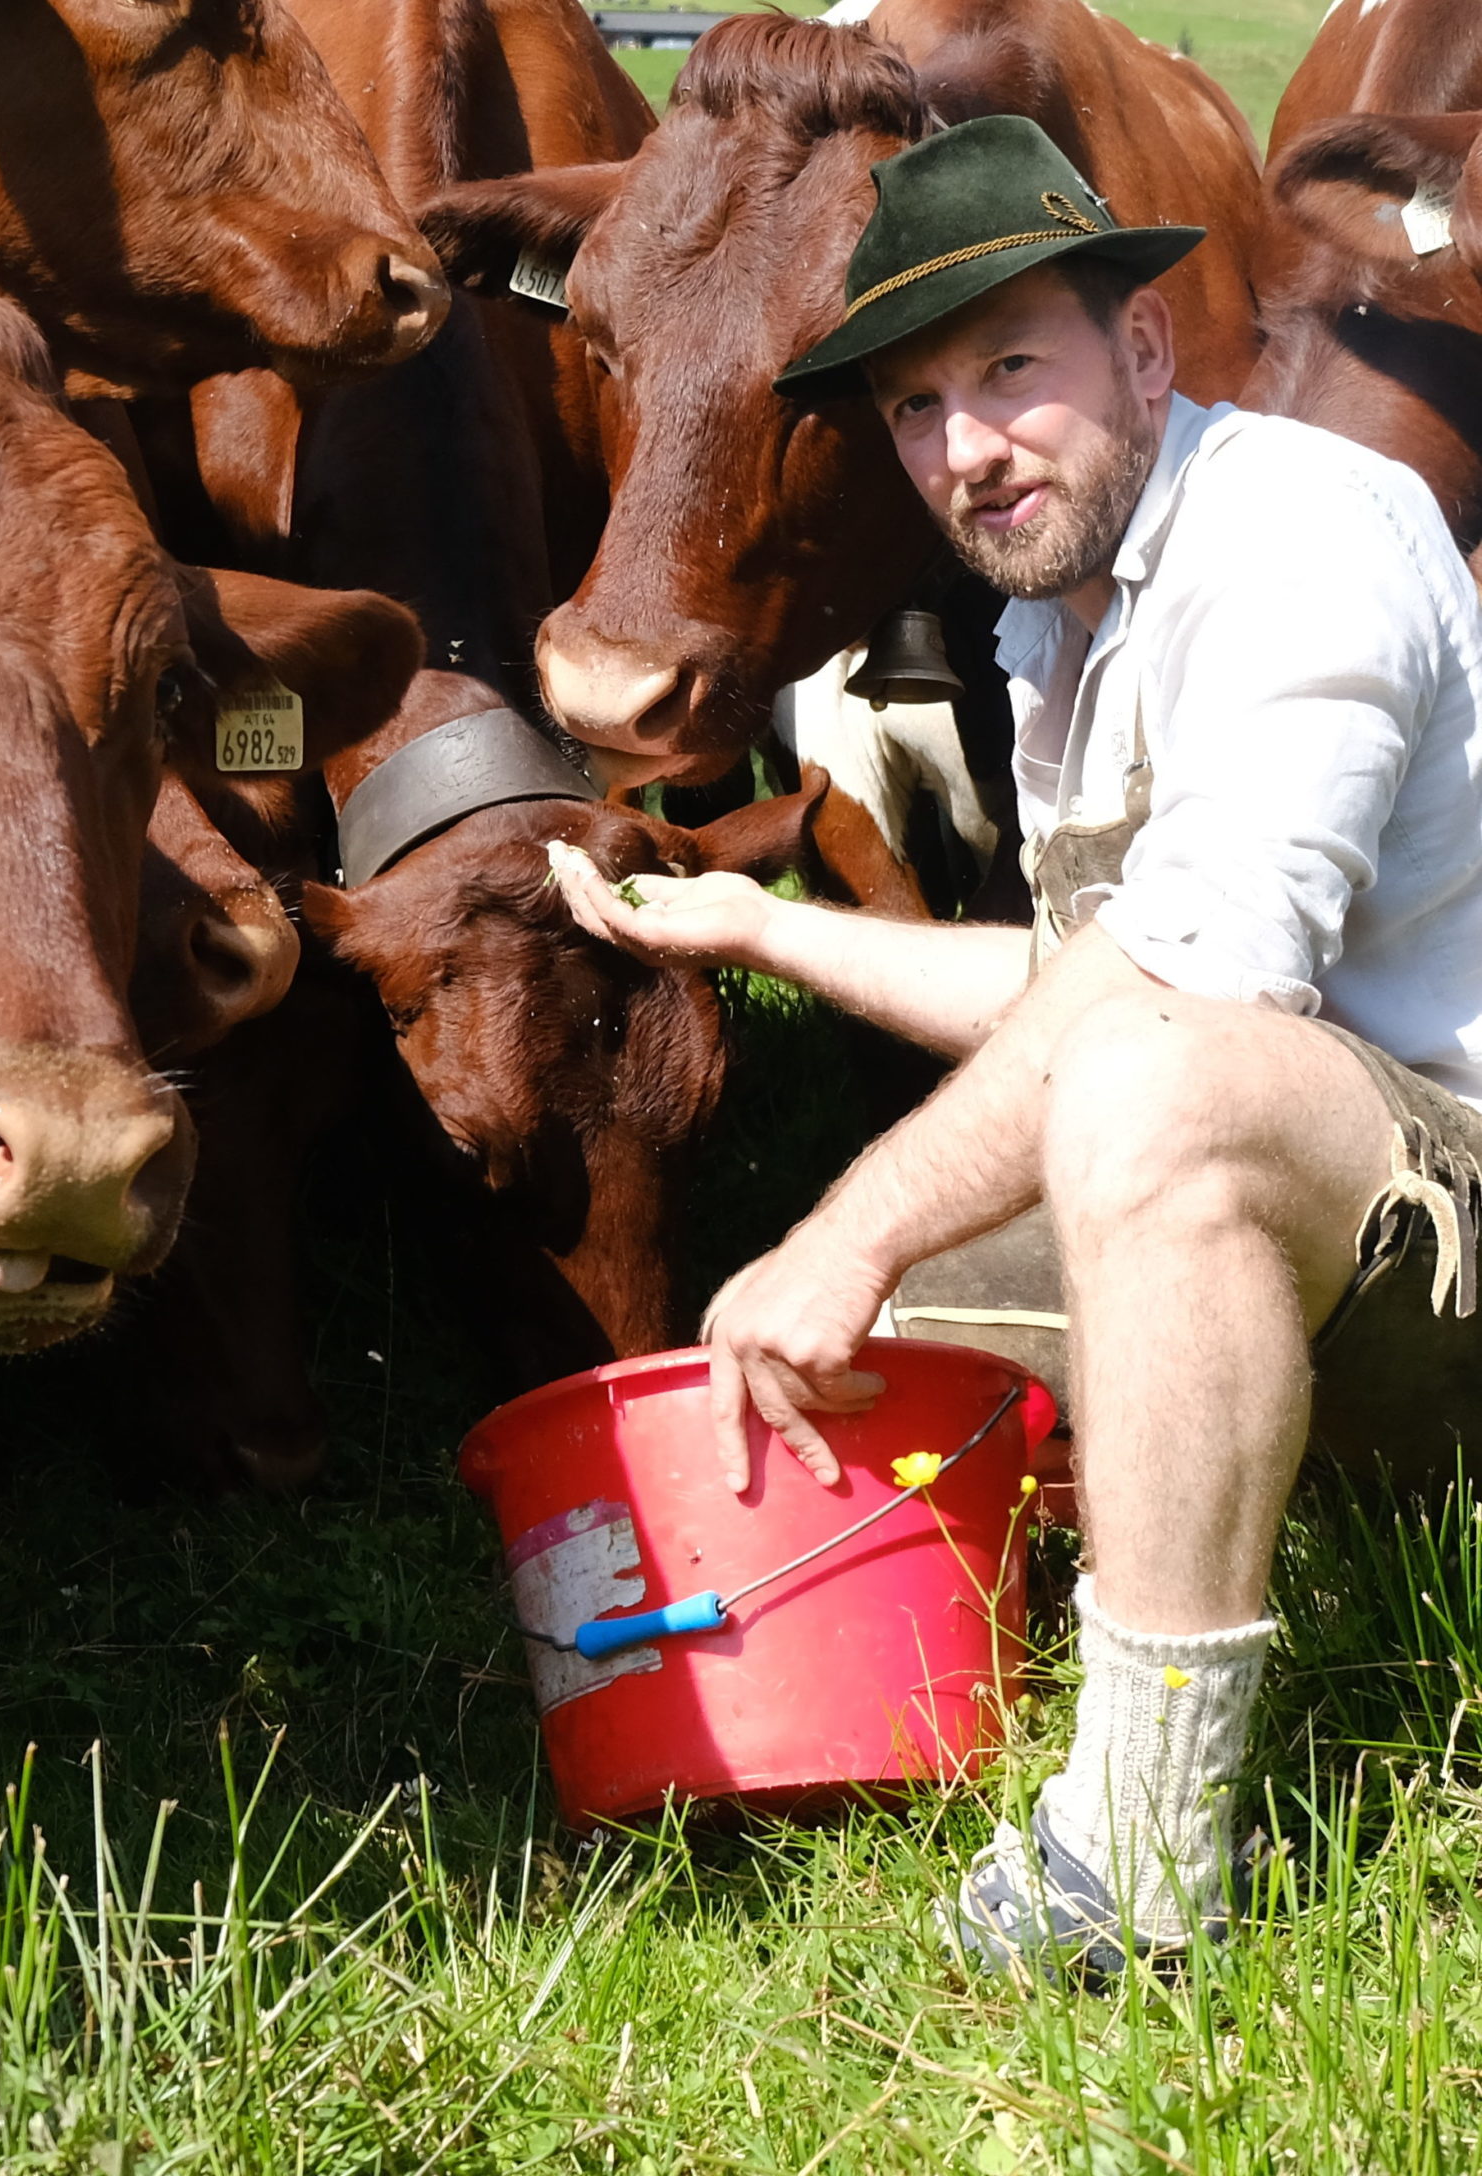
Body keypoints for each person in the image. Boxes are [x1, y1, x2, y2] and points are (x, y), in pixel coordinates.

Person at [549, 113, 1482, 1980]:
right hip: (1313, 1168)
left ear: (1143, 349)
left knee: (1127, 1114)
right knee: (870, 1353)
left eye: (1010, 371)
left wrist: (859, 1224)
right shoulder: (1070, 608)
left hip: (1451, 1210)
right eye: (913, 407)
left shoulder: (1303, 541)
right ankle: (907, 1687)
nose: (964, 449)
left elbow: (1180, 1009)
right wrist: (759, 928)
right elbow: (1082, 978)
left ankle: (1138, 1853)